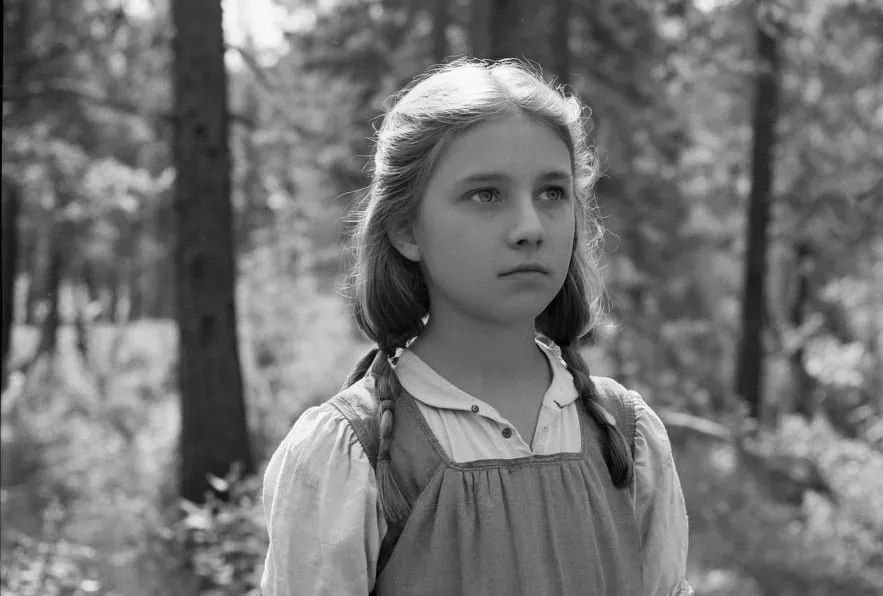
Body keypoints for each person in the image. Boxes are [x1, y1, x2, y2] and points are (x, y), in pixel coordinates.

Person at [260, 58, 692, 595]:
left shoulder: (624, 436)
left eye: (552, 193)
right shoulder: (356, 454)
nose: (529, 228)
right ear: (405, 229)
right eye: (486, 194)